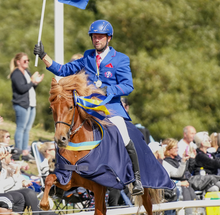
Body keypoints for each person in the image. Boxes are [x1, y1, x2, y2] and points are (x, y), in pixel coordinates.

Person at [35, 20, 150, 195]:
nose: (97, 40)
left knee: (124, 135)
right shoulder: (88, 56)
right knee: (68, 128)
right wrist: (44, 56)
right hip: (88, 107)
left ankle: (137, 179)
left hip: (110, 107)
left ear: (108, 38)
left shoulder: (120, 59)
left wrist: (108, 89)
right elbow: (64, 70)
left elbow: (128, 86)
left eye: (100, 37)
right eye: (94, 37)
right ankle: (65, 172)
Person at [8, 53, 43, 158]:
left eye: (28, 60)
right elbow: (21, 89)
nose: (27, 62)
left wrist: (35, 83)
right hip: (22, 104)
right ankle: (18, 151)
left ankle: (25, 151)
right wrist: (32, 81)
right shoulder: (16, 73)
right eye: (25, 61)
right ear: (18, 62)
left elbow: (30, 88)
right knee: (21, 127)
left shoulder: (27, 72)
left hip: (31, 103)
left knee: (27, 129)